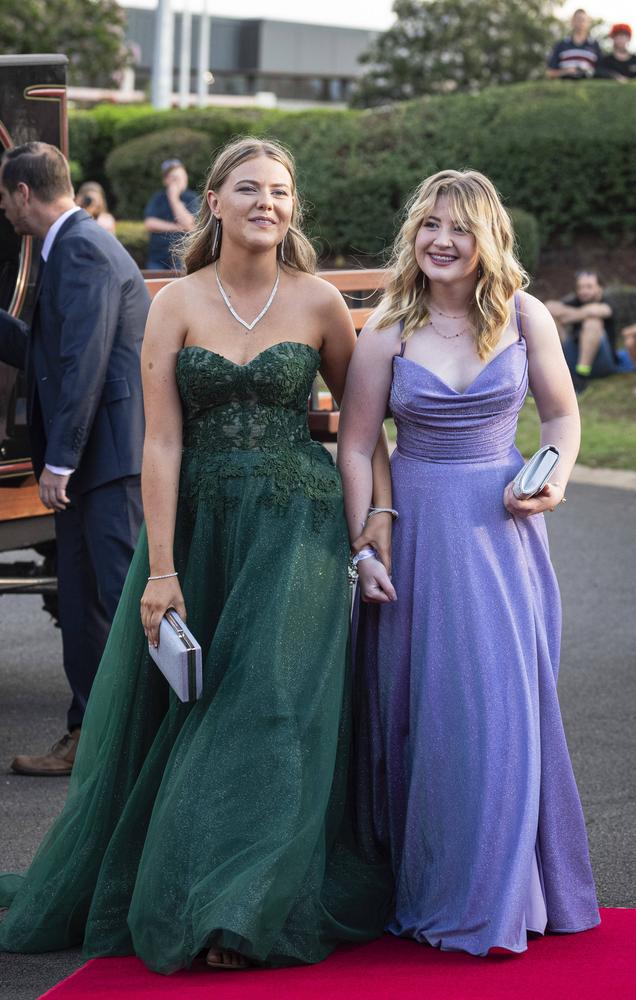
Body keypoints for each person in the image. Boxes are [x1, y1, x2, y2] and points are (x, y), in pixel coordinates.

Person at [0, 137, 393, 973]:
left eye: (281, 193)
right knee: (195, 707)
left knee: (269, 707)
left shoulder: (321, 302)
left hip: (296, 527)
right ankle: (195, 879)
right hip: (200, 532)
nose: (267, 204)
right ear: (211, 201)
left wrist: (376, 522)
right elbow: (165, 444)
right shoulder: (175, 303)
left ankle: (236, 906)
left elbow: (362, 433)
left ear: (294, 209)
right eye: (248, 189)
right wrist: (165, 569)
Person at [337, 169, 600, 956]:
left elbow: (561, 416)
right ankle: (434, 879)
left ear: (488, 239)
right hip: (416, 534)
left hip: (503, 533)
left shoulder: (524, 316)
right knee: (428, 716)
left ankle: (507, 887)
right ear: (412, 236)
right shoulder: (385, 329)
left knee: (502, 708)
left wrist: (551, 477)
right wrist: (363, 543)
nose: (442, 242)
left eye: (459, 228)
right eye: (429, 226)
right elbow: (356, 444)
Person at [0, 143, 148, 776]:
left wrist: (59, 460)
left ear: (25, 193)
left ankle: (139, 752)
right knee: (86, 603)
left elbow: (82, 361)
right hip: (96, 459)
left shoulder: (81, 248)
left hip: (106, 461)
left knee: (117, 605)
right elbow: (47, 348)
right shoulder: (73, 244)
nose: (3, 210)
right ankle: (88, 738)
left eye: (4, 197)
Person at [546, 271, 617, 392]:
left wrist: (568, 315)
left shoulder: (607, 301)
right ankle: (558, 369)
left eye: (589, 287)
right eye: (580, 287)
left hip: (603, 362)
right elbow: (549, 306)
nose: (584, 291)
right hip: (574, 356)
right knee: (550, 319)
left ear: (600, 288)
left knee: (593, 322)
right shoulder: (576, 301)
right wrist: (583, 313)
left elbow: (601, 311)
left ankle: (581, 377)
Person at [143, 158, 198, 270]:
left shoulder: (192, 198)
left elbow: (188, 225)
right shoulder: (158, 198)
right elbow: (149, 223)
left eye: (180, 177)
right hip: (157, 259)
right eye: (173, 178)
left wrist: (174, 199)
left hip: (182, 258)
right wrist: (176, 227)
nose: (178, 181)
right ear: (165, 180)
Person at [546, 9, 601, 80]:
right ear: (572, 22)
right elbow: (549, 72)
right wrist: (566, 72)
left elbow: (601, 71)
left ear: (588, 23)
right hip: (565, 87)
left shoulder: (594, 45)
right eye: (578, 19)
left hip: (588, 87)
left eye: (583, 20)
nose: (580, 23)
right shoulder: (561, 45)